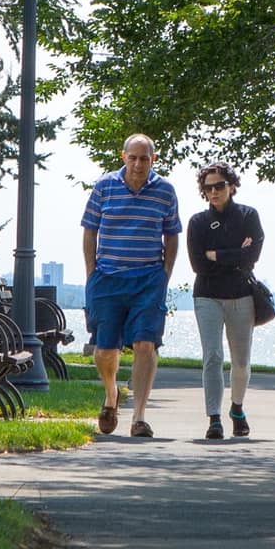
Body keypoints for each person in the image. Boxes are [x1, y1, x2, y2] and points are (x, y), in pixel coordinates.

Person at [80, 134, 180, 438]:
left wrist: (164, 274)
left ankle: (139, 416)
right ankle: (111, 396)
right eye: (133, 158)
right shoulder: (104, 187)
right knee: (105, 349)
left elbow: (172, 235)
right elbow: (89, 231)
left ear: (153, 160)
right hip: (107, 277)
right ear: (123, 157)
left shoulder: (164, 191)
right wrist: (91, 273)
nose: (138, 164)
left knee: (145, 345)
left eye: (144, 158)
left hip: (148, 279)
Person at [186, 161, 264, 440]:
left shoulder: (248, 216)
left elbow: (251, 256)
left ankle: (237, 409)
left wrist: (216, 254)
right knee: (213, 356)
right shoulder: (198, 222)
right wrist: (233, 254)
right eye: (208, 188)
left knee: (241, 362)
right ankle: (214, 418)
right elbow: (198, 264)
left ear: (231, 186)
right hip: (207, 296)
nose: (214, 192)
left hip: (242, 295)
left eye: (219, 186)